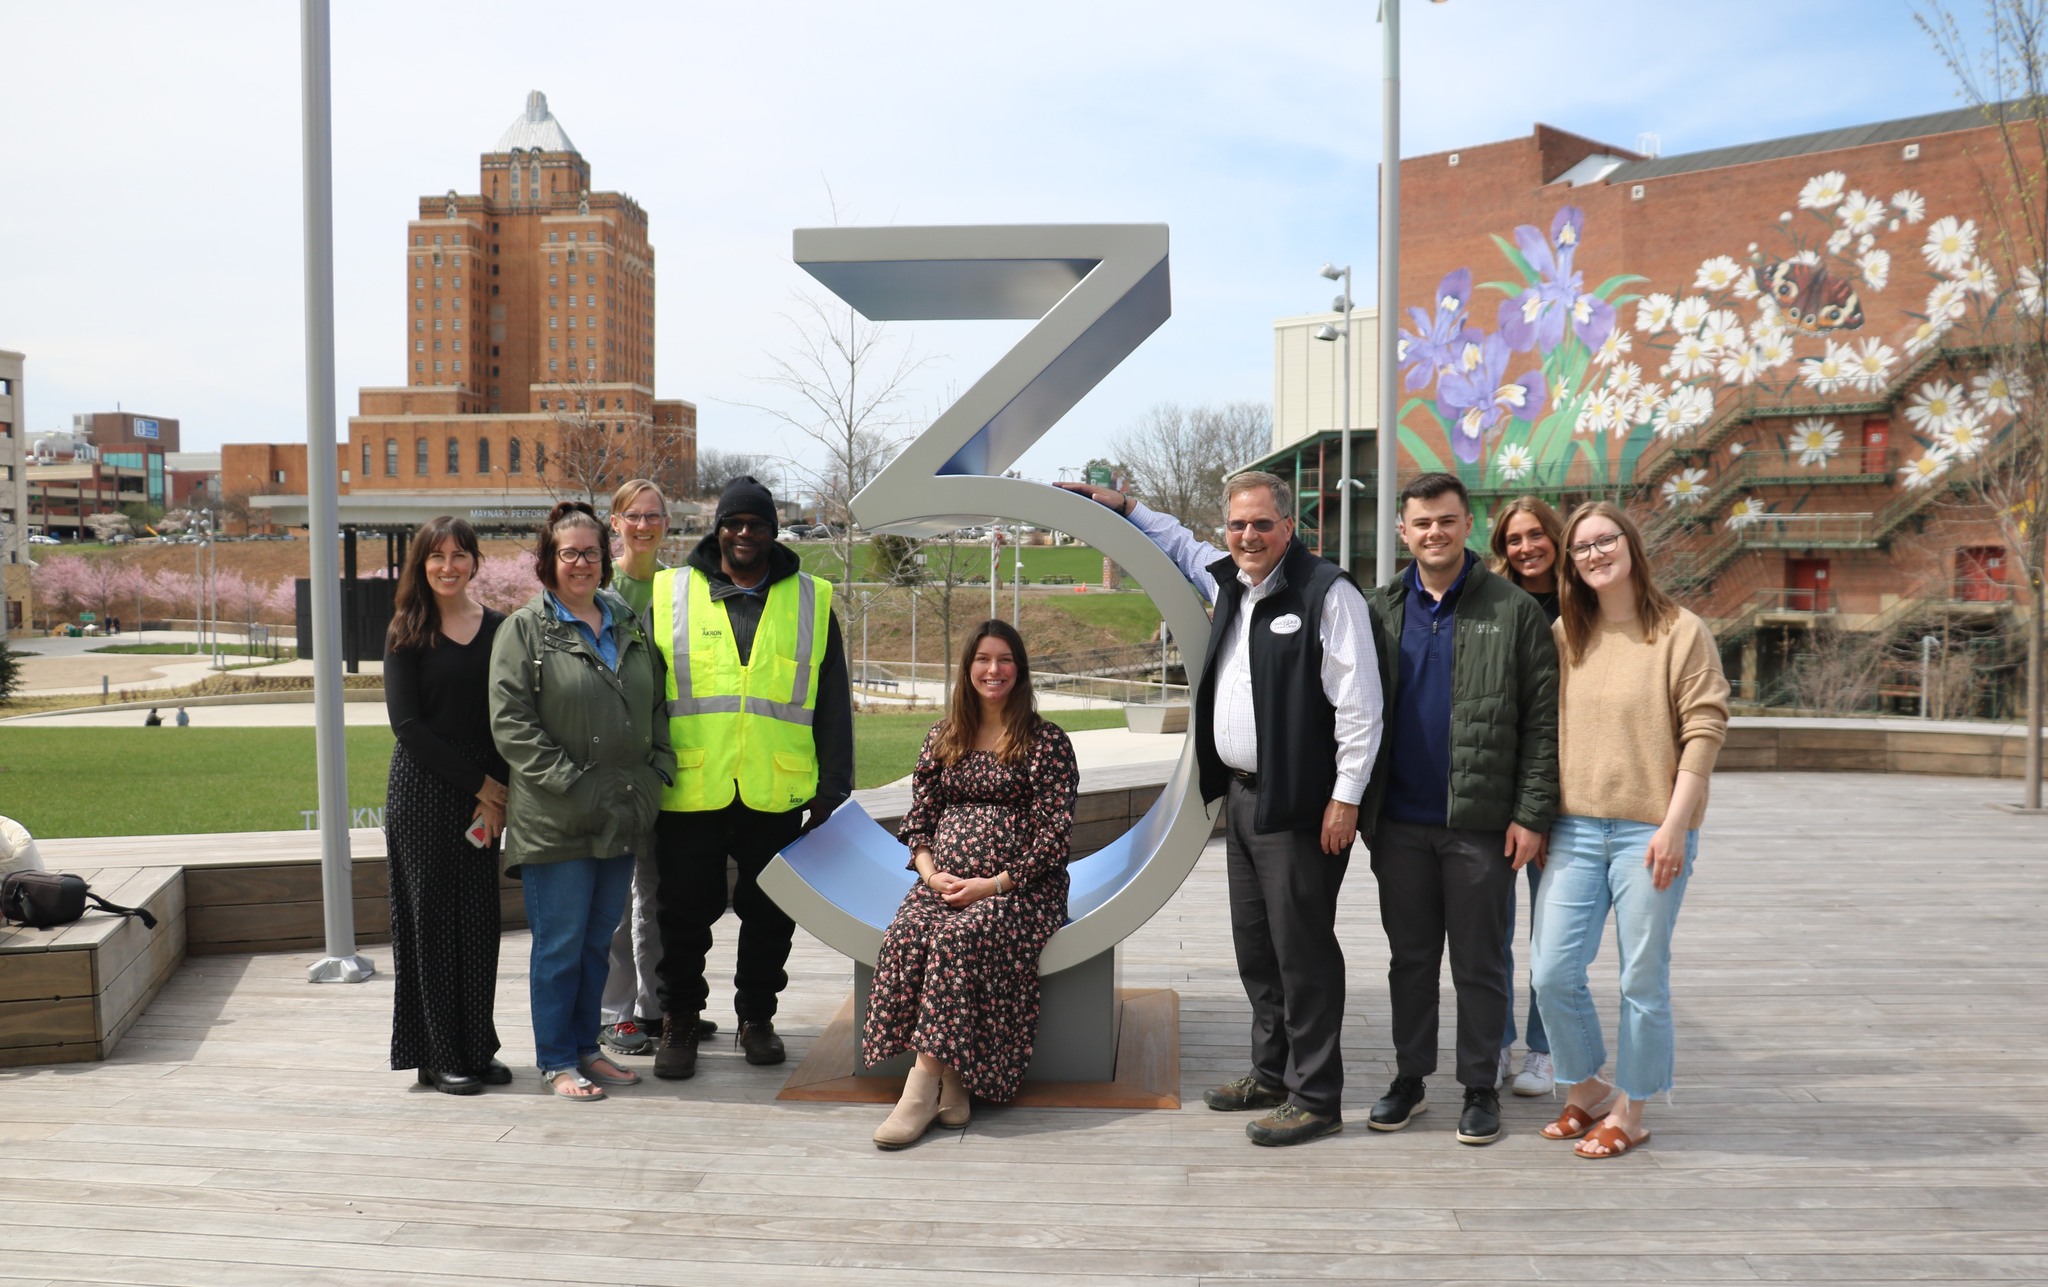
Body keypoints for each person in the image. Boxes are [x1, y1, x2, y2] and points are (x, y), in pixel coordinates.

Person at [1058, 472, 1382, 1148]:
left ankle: (1316, 1095)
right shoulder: (1229, 581)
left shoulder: (1329, 594)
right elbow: (1179, 543)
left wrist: (1345, 797)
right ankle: (1271, 1073)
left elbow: (1360, 709)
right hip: (1238, 797)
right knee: (1257, 948)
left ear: (1289, 528)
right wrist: (1127, 508)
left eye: (1262, 524)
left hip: (1299, 804)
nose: (1248, 536)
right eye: (1237, 525)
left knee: (1304, 954)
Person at [1359, 472, 1557, 1147]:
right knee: (1409, 959)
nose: (1434, 533)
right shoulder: (1378, 608)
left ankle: (1479, 1086)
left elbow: (1542, 725)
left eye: (1446, 520)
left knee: (1480, 961)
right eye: (1421, 523)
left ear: (1465, 524)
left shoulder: (1512, 610)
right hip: (1399, 824)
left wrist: (1531, 813)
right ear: (1403, 530)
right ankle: (1410, 1080)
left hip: (1480, 823)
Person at [1531, 501, 1729, 1159]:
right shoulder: (1568, 634)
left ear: (1630, 544)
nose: (1593, 553)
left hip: (1652, 830)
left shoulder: (1680, 630)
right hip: (1576, 828)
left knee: (1641, 978)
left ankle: (1632, 1108)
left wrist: (1675, 825)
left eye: (1604, 540)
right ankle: (1585, 1085)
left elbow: (1705, 728)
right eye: (1580, 547)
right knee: (1551, 970)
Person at [647, 476, 853, 1080]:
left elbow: (833, 699)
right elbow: (645, 697)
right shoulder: (670, 592)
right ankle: (679, 1020)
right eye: (733, 523)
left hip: (777, 788)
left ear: (773, 532)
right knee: (682, 915)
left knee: (770, 914)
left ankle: (756, 1019)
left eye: (756, 524)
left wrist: (833, 784)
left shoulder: (812, 600)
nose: (743, 534)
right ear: (718, 528)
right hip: (689, 788)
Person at [864, 620, 1079, 1149]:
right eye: (983, 659)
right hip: (942, 882)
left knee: (961, 939)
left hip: (1022, 889)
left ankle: (920, 1089)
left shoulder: (1046, 741)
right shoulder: (944, 735)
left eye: (1005, 659)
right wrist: (931, 873)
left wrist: (993, 885)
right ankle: (953, 1083)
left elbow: (1055, 836)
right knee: (909, 935)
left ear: (1020, 670)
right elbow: (918, 818)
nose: (993, 670)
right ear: (967, 670)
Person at [490, 501, 674, 1101]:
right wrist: (571, 780)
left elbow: (655, 705)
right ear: (549, 560)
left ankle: (588, 1050)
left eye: (591, 552)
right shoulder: (525, 629)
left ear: (605, 558)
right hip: (556, 819)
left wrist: (656, 771)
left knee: (598, 943)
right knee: (561, 945)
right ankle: (556, 1060)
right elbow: (511, 722)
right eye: (569, 552)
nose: (581, 563)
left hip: (621, 813)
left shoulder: (626, 623)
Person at [383, 516, 510, 1096]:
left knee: (480, 925)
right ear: (421, 564)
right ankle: (437, 1054)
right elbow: (407, 726)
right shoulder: (407, 631)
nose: (449, 566)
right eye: (437, 556)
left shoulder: (501, 629)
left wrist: (496, 792)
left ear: (476, 562)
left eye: (460, 555)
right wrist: (481, 784)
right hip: (424, 791)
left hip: (487, 792)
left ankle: (476, 1048)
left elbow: (511, 718)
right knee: (431, 924)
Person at [594, 478, 712, 1059]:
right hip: (616, 769)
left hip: (667, 767)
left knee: (658, 898)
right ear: (614, 522)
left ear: (668, 523)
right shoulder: (598, 590)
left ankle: (657, 1005)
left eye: (654, 516)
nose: (644, 526)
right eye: (632, 516)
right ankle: (614, 1013)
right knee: (616, 900)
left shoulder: (681, 589)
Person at [1485, 494, 1566, 1098]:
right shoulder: (1492, 605)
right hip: (1496, 787)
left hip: (1565, 790)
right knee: (1490, 929)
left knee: (1551, 934)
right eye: (1515, 538)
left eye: (1536, 534)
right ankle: (1496, 1043)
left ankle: (1543, 1049)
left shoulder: (1582, 604)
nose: (1526, 547)